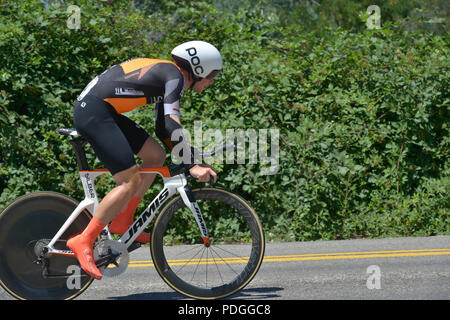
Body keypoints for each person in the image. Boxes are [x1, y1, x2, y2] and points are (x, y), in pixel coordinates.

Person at [67, 41, 222, 280]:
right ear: (198, 69)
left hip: (102, 110)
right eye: (212, 76)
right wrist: (192, 166)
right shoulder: (175, 77)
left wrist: (192, 159)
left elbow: (163, 129)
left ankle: (122, 220)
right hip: (95, 112)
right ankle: (83, 239)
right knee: (129, 181)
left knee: (155, 155)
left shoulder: (167, 74)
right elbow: (172, 124)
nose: (211, 82)